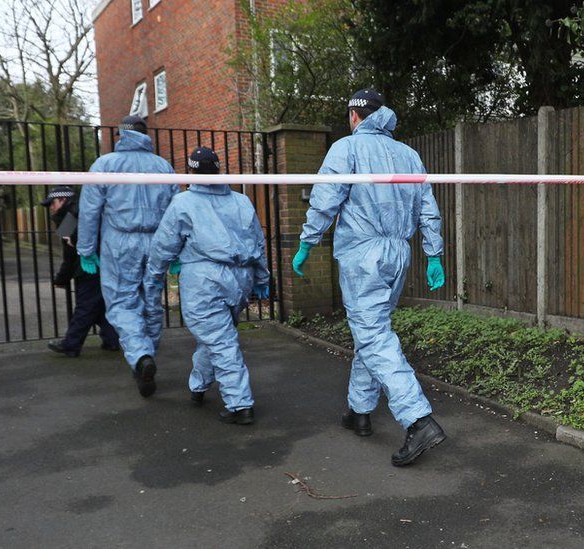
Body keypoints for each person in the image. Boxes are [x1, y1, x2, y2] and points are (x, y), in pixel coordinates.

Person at [293, 89, 447, 466]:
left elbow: (326, 198)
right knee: (373, 329)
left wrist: (306, 241)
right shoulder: (408, 155)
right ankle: (359, 410)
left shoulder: (347, 149)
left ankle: (417, 419)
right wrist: (433, 254)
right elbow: (428, 209)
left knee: (373, 333)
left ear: (354, 116)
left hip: (363, 254)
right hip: (398, 253)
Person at [144, 147, 270, 425]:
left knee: (221, 341)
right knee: (215, 337)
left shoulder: (183, 203)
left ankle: (240, 404)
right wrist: (261, 278)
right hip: (240, 278)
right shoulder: (241, 201)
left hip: (204, 280)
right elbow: (257, 243)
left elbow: (163, 245)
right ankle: (198, 387)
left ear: (191, 171)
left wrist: (153, 280)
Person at [77, 115, 180, 398]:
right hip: (157, 241)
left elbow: (89, 212)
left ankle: (141, 356)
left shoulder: (105, 165)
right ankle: (146, 356)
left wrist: (86, 249)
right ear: (146, 136)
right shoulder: (163, 166)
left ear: (121, 136)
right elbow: (177, 212)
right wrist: (178, 250)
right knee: (152, 302)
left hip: (119, 242)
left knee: (122, 303)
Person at [43, 186, 119, 356]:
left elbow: (69, 256)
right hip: (107, 263)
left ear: (63, 200)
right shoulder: (86, 210)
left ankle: (71, 344)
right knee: (97, 306)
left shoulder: (69, 218)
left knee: (85, 306)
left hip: (87, 268)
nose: (51, 208)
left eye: (52, 203)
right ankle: (112, 339)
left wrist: (61, 278)